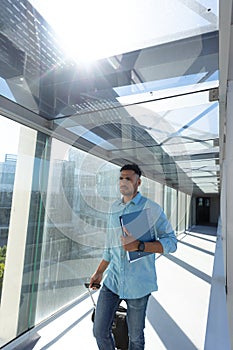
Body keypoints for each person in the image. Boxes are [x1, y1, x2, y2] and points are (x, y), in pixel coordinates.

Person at [89, 163, 177, 350]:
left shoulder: (152, 209)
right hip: (112, 281)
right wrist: (98, 273)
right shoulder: (113, 209)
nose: (123, 181)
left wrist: (140, 245)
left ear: (138, 182)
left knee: (135, 337)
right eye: (121, 178)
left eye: (128, 178)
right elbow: (109, 248)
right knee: (99, 331)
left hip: (138, 285)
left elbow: (171, 242)